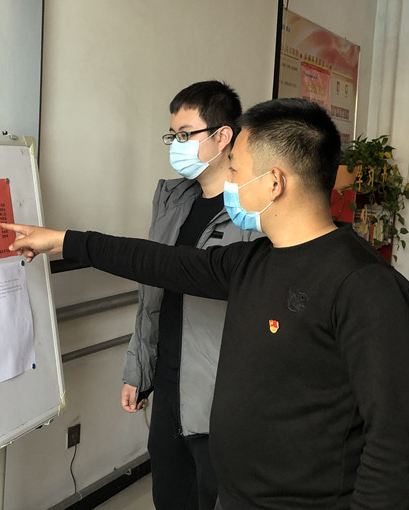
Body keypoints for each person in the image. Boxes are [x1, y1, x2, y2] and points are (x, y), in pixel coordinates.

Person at [2, 98, 409, 509]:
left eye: (235, 169)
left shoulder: (366, 287)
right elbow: (162, 262)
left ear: (274, 182)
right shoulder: (254, 260)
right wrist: (63, 241)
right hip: (236, 494)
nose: (229, 183)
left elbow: (392, 444)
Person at [122, 80, 259, 510]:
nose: (176, 145)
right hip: (168, 382)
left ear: (222, 136)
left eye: (185, 134)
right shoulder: (173, 201)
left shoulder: (252, 211)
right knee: (169, 494)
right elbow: (151, 293)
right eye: (172, 136)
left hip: (220, 394)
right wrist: (138, 369)